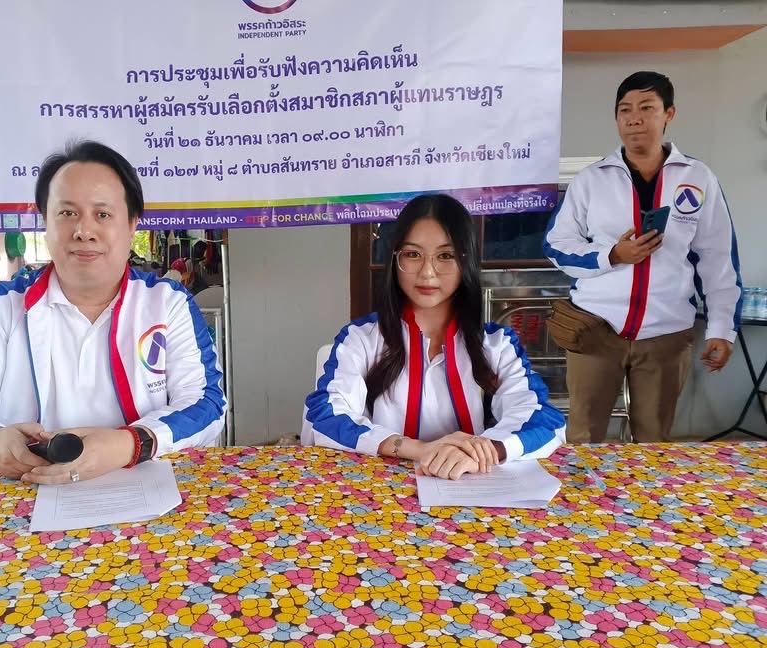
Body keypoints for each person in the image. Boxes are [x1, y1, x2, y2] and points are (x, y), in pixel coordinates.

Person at [0, 140, 226, 483]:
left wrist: (130, 444)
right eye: (67, 213)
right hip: (23, 492)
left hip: (145, 489)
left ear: (132, 224)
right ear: (45, 222)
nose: (84, 231)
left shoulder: (166, 303)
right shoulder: (2, 307)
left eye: (102, 214)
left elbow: (206, 403)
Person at [302, 194, 565, 480]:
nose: (427, 272)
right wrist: (420, 450)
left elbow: (542, 419)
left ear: (466, 261)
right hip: (378, 492)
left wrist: (484, 450)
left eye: (445, 256)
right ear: (395, 259)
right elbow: (327, 416)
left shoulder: (497, 344)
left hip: (472, 484)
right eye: (413, 254)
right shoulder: (360, 339)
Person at [544, 71, 743, 443]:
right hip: (596, 329)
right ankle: (586, 485)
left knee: (654, 440)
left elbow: (718, 259)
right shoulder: (592, 179)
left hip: (665, 334)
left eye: (647, 108)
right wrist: (612, 255)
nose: (634, 118)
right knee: (584, 436)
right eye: (625, 110)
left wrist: (721, 328)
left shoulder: (698, 178)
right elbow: (557, 246)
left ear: (669, 114)